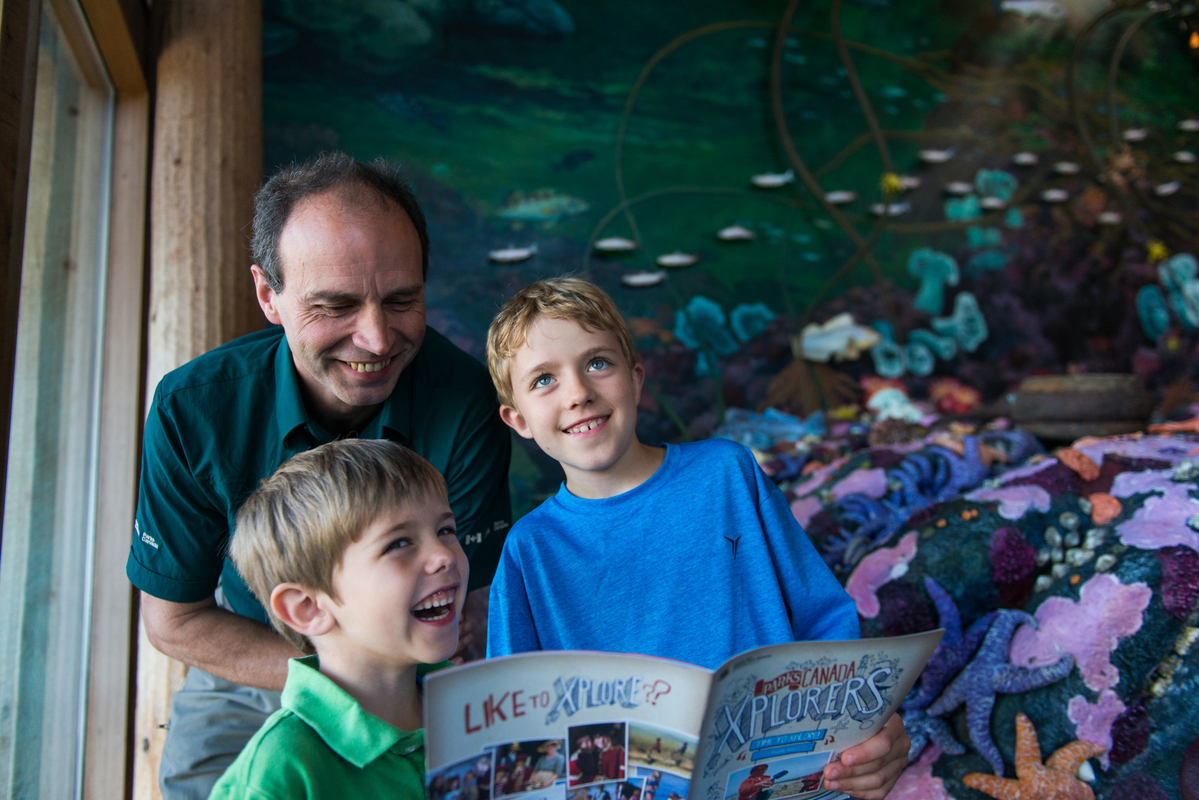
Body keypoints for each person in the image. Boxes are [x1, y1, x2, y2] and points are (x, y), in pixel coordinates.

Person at [127, 153, 512, 799]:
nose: (375, 338)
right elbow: (176, 621)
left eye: (400, 301)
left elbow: (468, 602)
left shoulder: (465, 398)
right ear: (267, 296)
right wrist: (347, 678)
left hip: (419, 659)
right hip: (248, 655)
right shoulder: (193, 406)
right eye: (334, 306)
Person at [483, 278, 910, 800]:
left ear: (636, 380)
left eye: (597, 363)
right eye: (544, 379)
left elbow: (825, 621)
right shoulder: (529, 553)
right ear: (518, 419)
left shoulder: (727, 473)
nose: (578, 393)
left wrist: (864, 729)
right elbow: (518, 739)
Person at [207, 439, 467, 798]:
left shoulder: (479, 709)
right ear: (307, 608)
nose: (444, 555)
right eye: (398, 543)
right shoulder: (280, 770)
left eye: (445, 530)